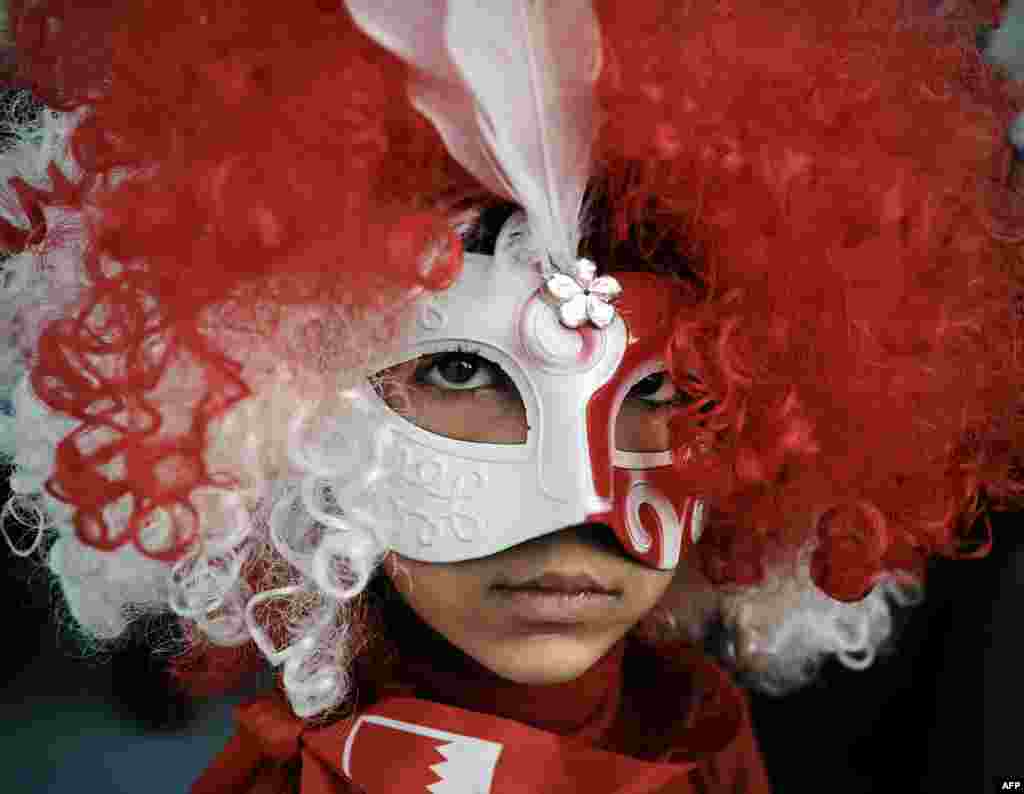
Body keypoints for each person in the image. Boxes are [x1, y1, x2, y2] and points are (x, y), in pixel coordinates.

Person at [0, 1, 1021, 792]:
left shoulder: (704, 737)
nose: (580, 504)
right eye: (462, 370)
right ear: (290, 401)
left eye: (663, 386)